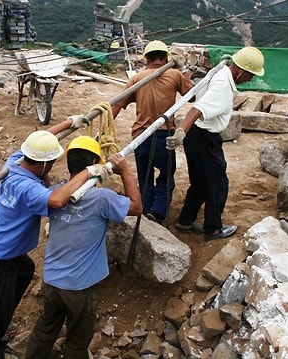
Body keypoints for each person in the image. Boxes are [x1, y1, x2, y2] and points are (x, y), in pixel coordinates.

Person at [0, 116, 113, 359]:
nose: (51, 167)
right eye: (50, 163)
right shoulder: (31, 190)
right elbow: (58, 200)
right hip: (2, 256)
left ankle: (2, 317)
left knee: (26, 270)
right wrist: (87, 173)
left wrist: (70, 122)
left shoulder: (16, 161)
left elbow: (40, 140)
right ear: (42, 165)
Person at [25, 136, 142, 359]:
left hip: (51, 280)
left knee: (45, 328)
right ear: (95, 165)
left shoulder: (57, 194)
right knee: (78, 338)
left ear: (69, 163)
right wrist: (125, 171)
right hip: (79, 286)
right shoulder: (101, 199)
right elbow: (136, 207)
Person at [166, 46, 265, 241]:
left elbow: (195, 91)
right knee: (218, 184)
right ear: (242, 70)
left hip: (196, 136)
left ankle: (185, 221)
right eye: (250, 75)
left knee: (200, 182)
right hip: (204, 137)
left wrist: (184, 70)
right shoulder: (222, 85)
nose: (251, 79)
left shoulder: (218, 72)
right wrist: (180, 132)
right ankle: (213, 229)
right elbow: (197, 109)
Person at [112, 40, 193, 224]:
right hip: (164, 135)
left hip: (140, 138)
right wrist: (183, 69)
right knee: (166, 177)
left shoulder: (137, 78)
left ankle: (146, 212)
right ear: (165, 58)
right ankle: (157, 213)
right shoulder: (174, 74)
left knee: (145, 178)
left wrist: (104, 130)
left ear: (146, 58)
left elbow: (118, 104)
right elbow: (192, 94)